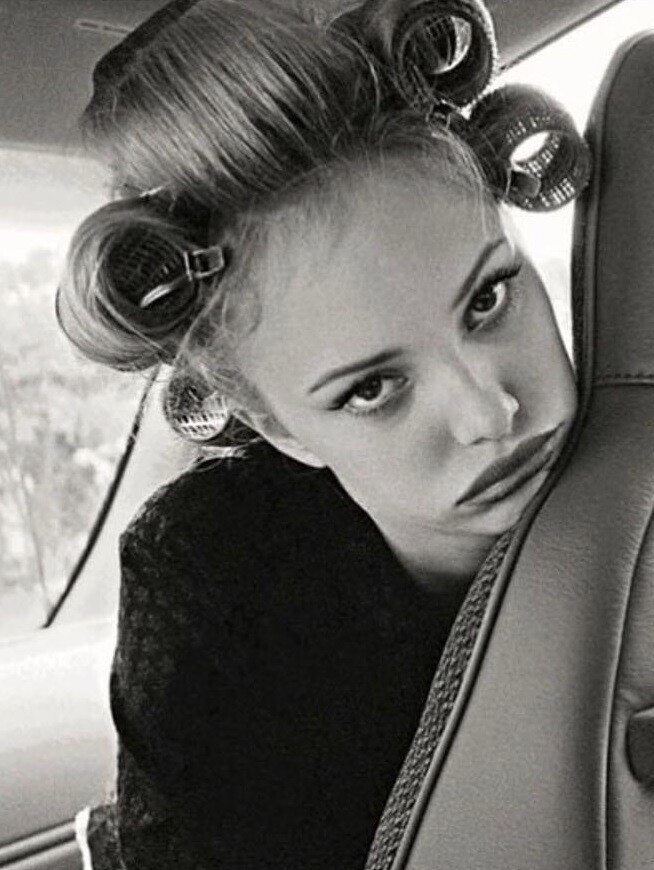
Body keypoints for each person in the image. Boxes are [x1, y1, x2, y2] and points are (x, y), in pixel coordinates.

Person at [56, 0, 585, 867]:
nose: (490, 413)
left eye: (489, 300)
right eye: (372, 389)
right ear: (275, 426)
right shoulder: (217, 579)